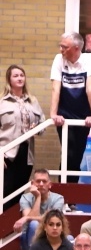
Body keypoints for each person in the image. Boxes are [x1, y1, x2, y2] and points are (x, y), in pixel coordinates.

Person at [50, 32, 91, 173]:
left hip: (83, 115)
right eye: (60, 46)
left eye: (64, 47)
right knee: (68, 153)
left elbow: (90, 88)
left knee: (77, 156)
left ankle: (71, 184)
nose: (61, 50)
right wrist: (53, 114)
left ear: (76, 48)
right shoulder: (59, 59)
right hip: (65, 115)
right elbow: (55, 88)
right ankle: (63, 184)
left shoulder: (89, 58)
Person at [0, 65, 44, 207]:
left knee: (18, 192)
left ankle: (11, 221)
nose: (20, 78)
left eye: (22, 75)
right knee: (5, 191)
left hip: (26, 152)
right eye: (15, 76)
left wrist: (37, 128)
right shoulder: (2, 102)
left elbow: (42, 122)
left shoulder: (32, 101)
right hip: (6, 153)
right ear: (9, 80)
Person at [16, 169, 66, 250]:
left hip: (50, 237)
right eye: (38, 181)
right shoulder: (25, 198)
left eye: (44, 181)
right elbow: (32, 221)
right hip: (28, 240)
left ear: (50, 185)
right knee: (34, 224)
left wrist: (27, 217)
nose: (41, 184)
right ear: (32, 183)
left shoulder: (58, 199)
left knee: (70, 238)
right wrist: (38, 197)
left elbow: (52, 220)